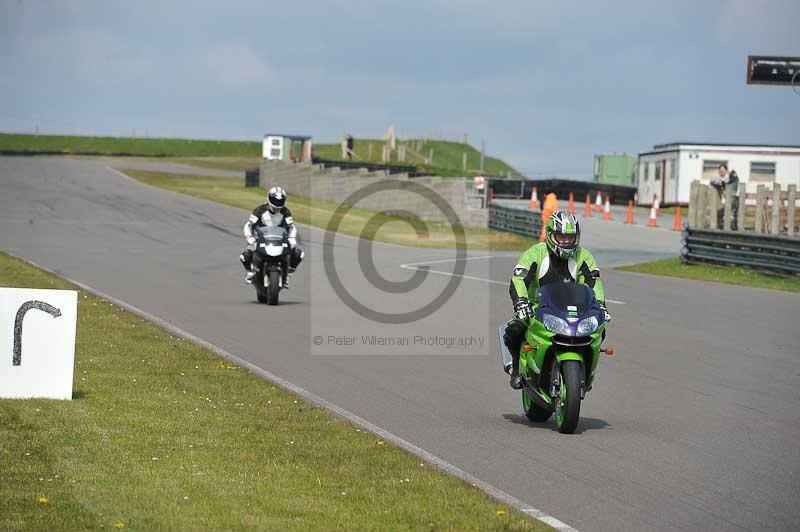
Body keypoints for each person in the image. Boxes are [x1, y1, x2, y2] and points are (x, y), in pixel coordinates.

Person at [503, 211, 610, 389]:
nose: (567, 242)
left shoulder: (584, 256)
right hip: (537, 307)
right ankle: (516, 366)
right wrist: (521, 302)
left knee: (598, 328)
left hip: (574, 308)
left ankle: (585, 371)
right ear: (551, 235)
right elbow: (518, 280)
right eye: (562, 237)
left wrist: (600, 305)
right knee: (515, 328)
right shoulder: (534, 254)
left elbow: (594, 282)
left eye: (571, 237)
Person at [239, 186, 304, 287]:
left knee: (298, 254)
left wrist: (291, 239)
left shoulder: (285, 212)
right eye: (274, 202)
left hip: (279, 239)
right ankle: (250, 272)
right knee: (245, 256)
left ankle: (288, 276)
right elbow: (249, 225)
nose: (277, 206)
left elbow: (292, 227)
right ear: (269, 199)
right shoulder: (260, 210)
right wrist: (249, 237)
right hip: (260, 239)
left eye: (280, 202)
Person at [712, 164, 739, 230]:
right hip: (728, 200)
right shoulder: (725, 178)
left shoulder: (732, 175)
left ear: (726, 170)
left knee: (731, 217)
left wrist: (713, 182)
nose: (721, 172)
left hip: (733, 199)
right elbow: (719, 182)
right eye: (720, 171)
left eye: (722, 171)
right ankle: (722, 230)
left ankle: (733, 232)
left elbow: (722, 182)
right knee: (720, 214)